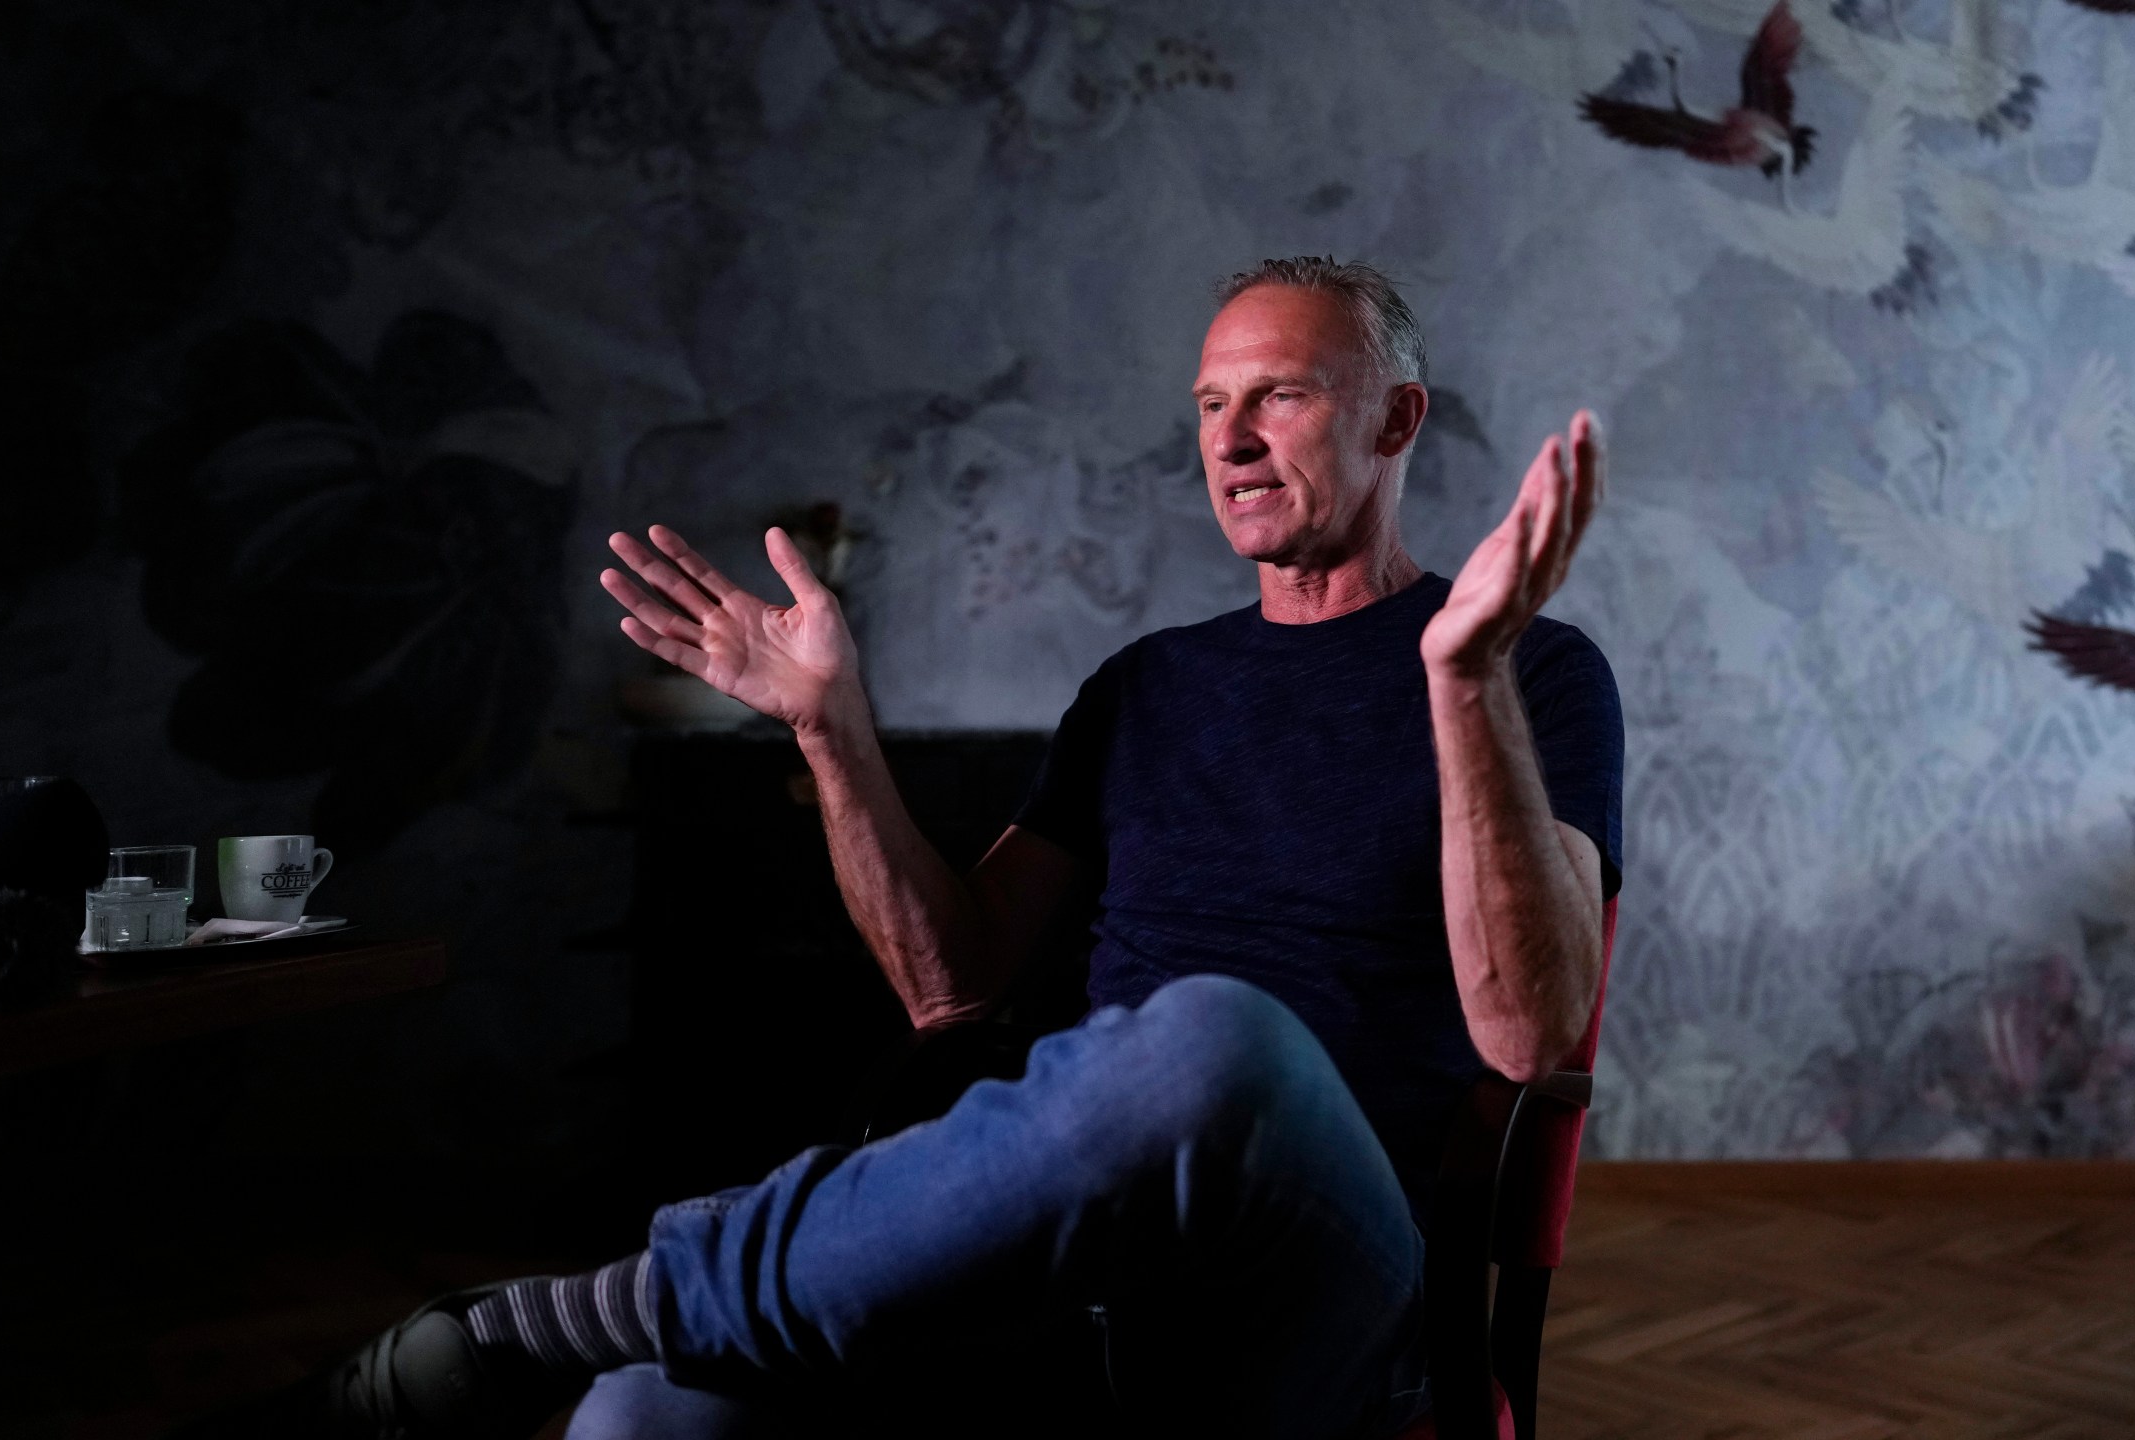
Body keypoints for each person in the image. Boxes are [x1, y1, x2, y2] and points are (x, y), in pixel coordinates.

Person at [188, 257, 1622, 1439]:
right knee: (642, 1418)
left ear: (1394, 419)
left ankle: (551, 1316)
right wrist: (831, 730)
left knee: (1216, 1047)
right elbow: (957, 995)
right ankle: (614, 1334)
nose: (1231, 440)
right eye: (1208, 405)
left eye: (1281, 398)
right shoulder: (1148, 688)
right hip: (1069, 1280)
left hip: (1323, 1296)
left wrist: (1460, 677)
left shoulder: (1528, 672)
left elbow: (1532, 1026)